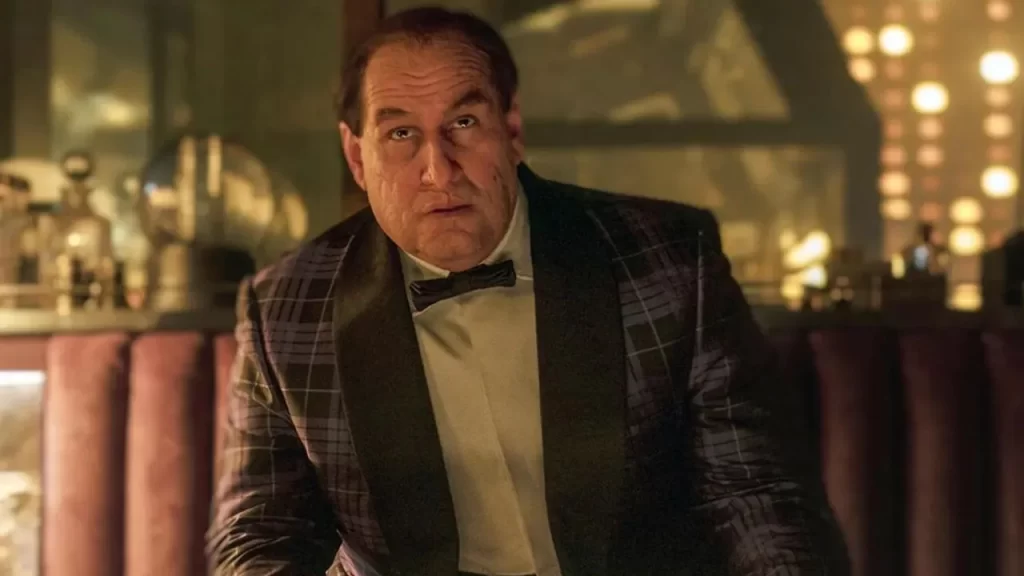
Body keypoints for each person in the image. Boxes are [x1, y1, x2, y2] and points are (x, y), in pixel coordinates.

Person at [207, 7, 848, 576]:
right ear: (356, 157)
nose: (439, 171)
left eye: (463, 122)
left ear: (511, 129)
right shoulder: (285, 307)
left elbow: (753, 494)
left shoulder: (669, 261)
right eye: (401, 134)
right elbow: (260, 533)